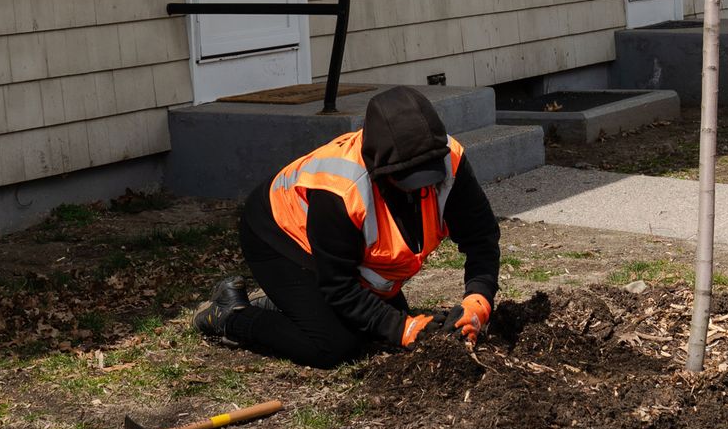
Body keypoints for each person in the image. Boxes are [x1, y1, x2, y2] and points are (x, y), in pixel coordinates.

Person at [193, 86, 501, 368]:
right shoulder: (341, 189)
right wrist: (402, 328)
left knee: (374, 327)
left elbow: (481, 236)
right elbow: (339, 286)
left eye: (427, 178)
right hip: (277, 235)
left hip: (334, 254)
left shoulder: (450, 160)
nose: (420, 189)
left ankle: (291, 301)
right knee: (333, 345)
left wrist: (479, 301)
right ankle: (231, 315)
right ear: (380, 167)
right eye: (407, 180)